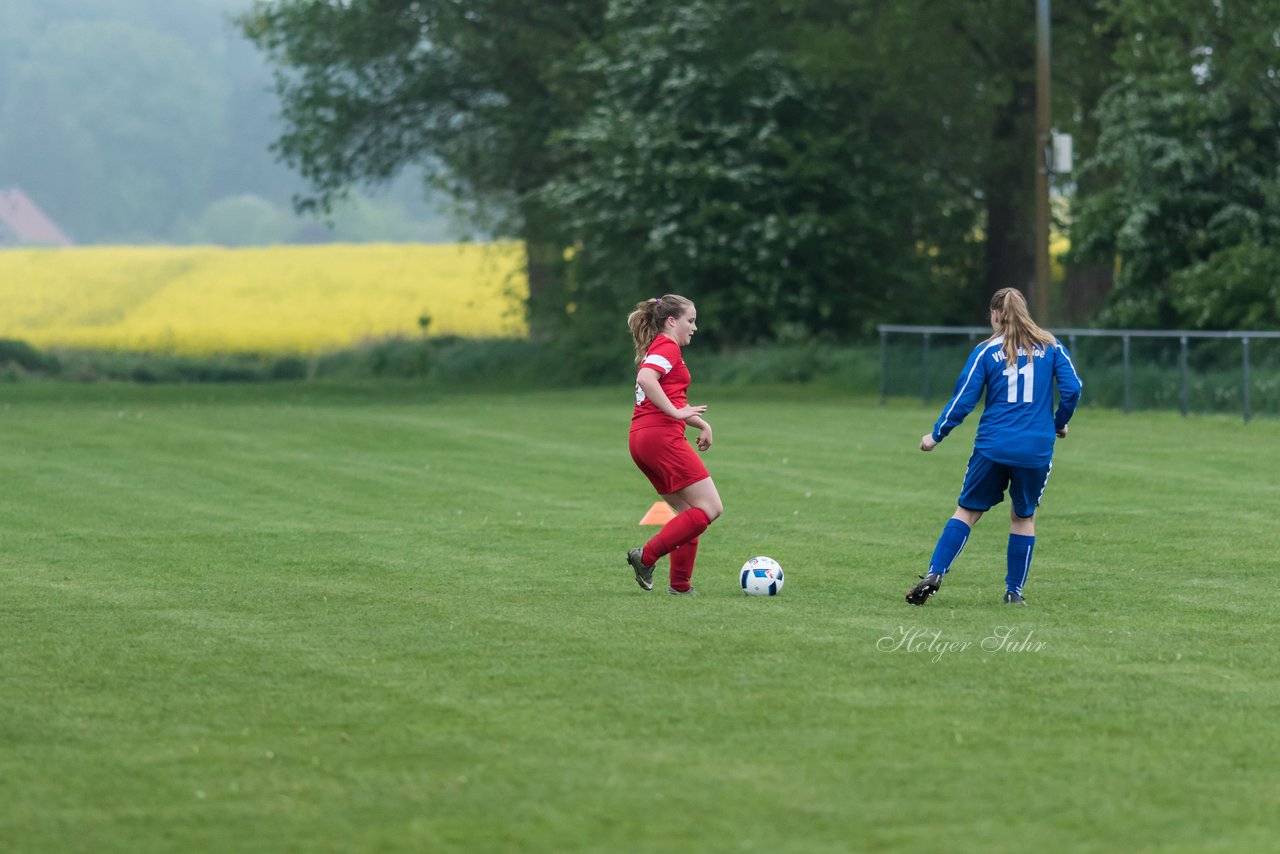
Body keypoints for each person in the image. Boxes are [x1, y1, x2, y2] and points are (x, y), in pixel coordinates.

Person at [907, 287, 1083, 606]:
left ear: (996, 315)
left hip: (993, 447)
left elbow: (963, 400)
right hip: (1035, 449)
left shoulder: (986, 352)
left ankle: (935, 572)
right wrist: (1059, 422)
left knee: (967, 511)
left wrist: (936, 435)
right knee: (1022, 517)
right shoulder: (1051, 345)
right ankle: (1013, 593)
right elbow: (1073, 388)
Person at [625, 294, 723, 596]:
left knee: (688, 514)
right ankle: (646, 556)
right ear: (671, 321)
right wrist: (676, 413)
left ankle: (680, 586)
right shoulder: (666, 345)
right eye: (690, 321)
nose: (694, 327)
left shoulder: (663, 349)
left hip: (642, 438)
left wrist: (700, 423)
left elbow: (671, 399)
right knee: (710, 508)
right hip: (660, 437)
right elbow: (646, 377)